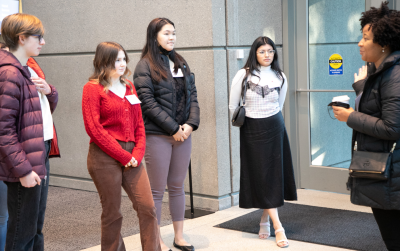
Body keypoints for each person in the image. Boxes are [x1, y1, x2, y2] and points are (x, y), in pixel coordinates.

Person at [333, 2, 400, 250]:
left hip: (391, 175)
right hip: (386, 173)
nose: (359, 43)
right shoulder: (381, 72)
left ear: (383, 43)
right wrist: (362, 88)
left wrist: (350, 116)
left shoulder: (394, 75)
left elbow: (392, 127)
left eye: (365, 38)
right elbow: (379, 107)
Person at [82, 42, 160, 251]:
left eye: (124, 58)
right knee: (112, 212)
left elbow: (139, 125)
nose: (122, 63)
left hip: (132, 154)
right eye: (116, 59)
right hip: (104, 157)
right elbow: (94, 129)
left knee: (148, 208)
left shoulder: (129, 86)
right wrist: (123, 156)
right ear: (103, 61)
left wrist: (137, 152)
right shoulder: (92, 88)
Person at [134, 18, 200, 251]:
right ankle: (156, 239)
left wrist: (190, 125)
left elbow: (192, 96)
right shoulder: (145, 65)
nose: (172, 37)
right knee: (156, 189)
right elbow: (147, 103)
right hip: (158, 135)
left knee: (177, 186)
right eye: (166, 34)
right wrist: (173, 128)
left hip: (184, 134)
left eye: (174, 33)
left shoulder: (180, 62)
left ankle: (179, 236)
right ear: (154, 37)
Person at [229, 36, 297, 248]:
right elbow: (233, 105)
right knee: (260, 175)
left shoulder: (280, 76)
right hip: (252, 128)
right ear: (254, 53)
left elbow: (280, 103)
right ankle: (278, 226)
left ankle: (267, 220)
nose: (267, 55)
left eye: (270, 51)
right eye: (262, 51)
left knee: (273, 175)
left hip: (275, 127)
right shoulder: (244, 74)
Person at [0, 13, 59, 250]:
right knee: (22, 233)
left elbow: (38, 112)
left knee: (34, 226)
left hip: (38, 150)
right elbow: (3, 131)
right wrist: (24, 170)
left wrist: (50, 91)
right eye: (38, 37)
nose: (42, 42)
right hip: (24, 159)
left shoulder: (26, 68)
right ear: (22, 38)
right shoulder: (10, 72)